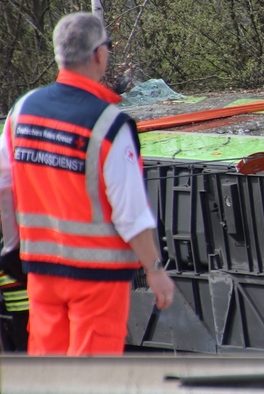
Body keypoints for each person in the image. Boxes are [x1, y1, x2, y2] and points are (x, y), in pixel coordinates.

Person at [0, 12, 175, 356]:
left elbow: (4, 182)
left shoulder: (23, 111)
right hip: (98, 280)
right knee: (92, 382)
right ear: (100, 54)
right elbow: (131, 213)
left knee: (48, 374)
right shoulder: (110, 124)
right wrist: (155, 269)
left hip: (42, 272)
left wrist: (13, 243)